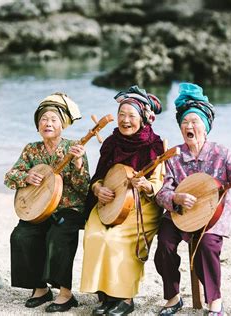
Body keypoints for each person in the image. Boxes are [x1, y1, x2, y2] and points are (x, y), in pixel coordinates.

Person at [154, 83, 231, 316]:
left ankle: (215, 301)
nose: (189, 126)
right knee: (164, 242)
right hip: (180, 214)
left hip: (213, 216)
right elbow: (161, 192)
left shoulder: (221, 152)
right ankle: (173, 298)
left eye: (195, 121)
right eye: (185, 122)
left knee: (206, 246)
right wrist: (176, 197)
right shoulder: (174, 156)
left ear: (206, 126)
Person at [80, 86, 164, 316]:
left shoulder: (155, 145)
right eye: (121, 115)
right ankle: (105, 294)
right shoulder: (111, 142)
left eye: (131, 116)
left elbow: (158, 183)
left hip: (141, 207)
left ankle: (125, 299)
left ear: (143, 119)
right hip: (110, 201)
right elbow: (97, 177)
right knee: (95, 234)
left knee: (115, 239)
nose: (125, 121)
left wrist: (147, 186)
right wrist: (98, 189)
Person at [4, 93, 90, 313]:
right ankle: (40, 288)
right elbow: (9, 177)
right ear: (37, 125)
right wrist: (26, 177)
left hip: (69, 208)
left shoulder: (74, 147)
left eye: (53, 119)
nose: (48, 123)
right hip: (39, 209)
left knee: (58, 235)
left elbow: (84, 188)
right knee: (21, 235)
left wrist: (78, 163)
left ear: (63, 125)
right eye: (43, 119)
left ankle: (65, 293)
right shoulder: (32, 149)